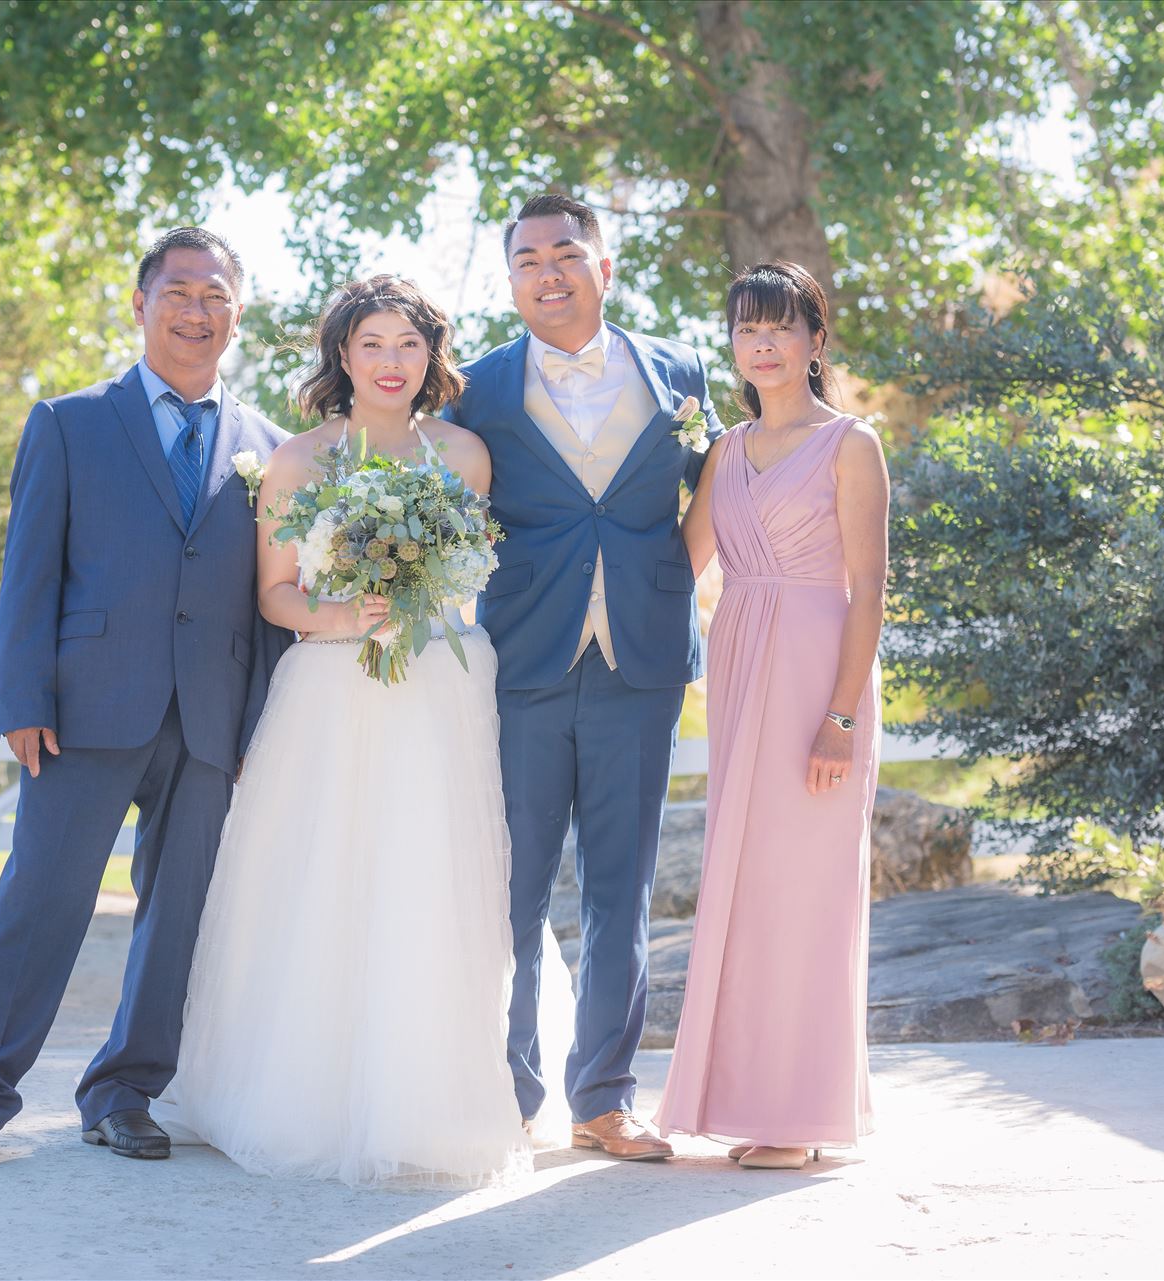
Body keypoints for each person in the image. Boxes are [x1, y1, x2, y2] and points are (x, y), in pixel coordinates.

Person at [163, 276, 538, 1188]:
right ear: (342, 354)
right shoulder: (299, 460)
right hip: (333, 687)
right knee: (323, 875)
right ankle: (302, 1091)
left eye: (408, 345)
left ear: (431, 357)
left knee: (428, 878)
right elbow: (274, 591)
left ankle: (429, 1098)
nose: (390, 363)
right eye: (372, 344)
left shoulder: (466, 455)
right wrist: (344, 614)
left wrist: (416, 595)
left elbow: (470, 568)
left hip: (440, 687)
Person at [0, 228, 293, 1165]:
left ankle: (125, 1090)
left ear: (238, 314)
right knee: (41, 897)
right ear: (140, 307)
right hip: (83, 708)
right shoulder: (69, 421)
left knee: (181, 915)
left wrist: (263, 723)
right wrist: (20, 695)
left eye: (216, 295)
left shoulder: (273, 448)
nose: (197, 310)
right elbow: (28, 574)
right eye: (178, 292)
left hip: (211, 717)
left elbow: (271, 604)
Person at [444, 193, 718, 1161]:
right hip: (522, 661)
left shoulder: (678, 371)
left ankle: (602, 1096)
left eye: (567, 253)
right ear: (510, 278)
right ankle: (508, 1090)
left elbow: (719, 490)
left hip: (639, 662)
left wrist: (673, 580)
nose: (548, 271)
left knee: (621, 888)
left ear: (604, 265)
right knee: (512, 890)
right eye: (527, 259)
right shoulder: (471, 388)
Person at [655, 260, 889, 1169]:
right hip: (742, 665)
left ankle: (801, 1114)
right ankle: (749, 1100)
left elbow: (868, 589)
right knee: (747, 889)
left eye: (781, 327)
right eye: (747, 329)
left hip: (817, 674)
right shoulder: (726, 450)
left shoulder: (851, 444)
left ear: (814, 341)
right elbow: (682, 560)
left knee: (810, 894)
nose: (763, 344)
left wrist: (839, 718)